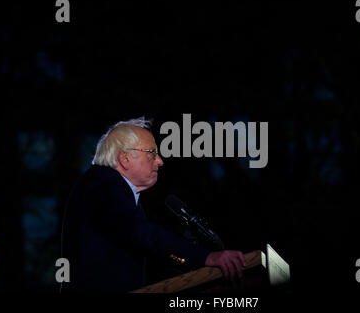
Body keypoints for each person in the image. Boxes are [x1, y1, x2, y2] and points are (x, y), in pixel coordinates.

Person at [60, 117, 246, 293]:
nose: (160, 161)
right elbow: (141, 232)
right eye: (152, 153)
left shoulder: (112, 191)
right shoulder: (103, 183)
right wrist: (206, 258)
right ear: (125, 158)